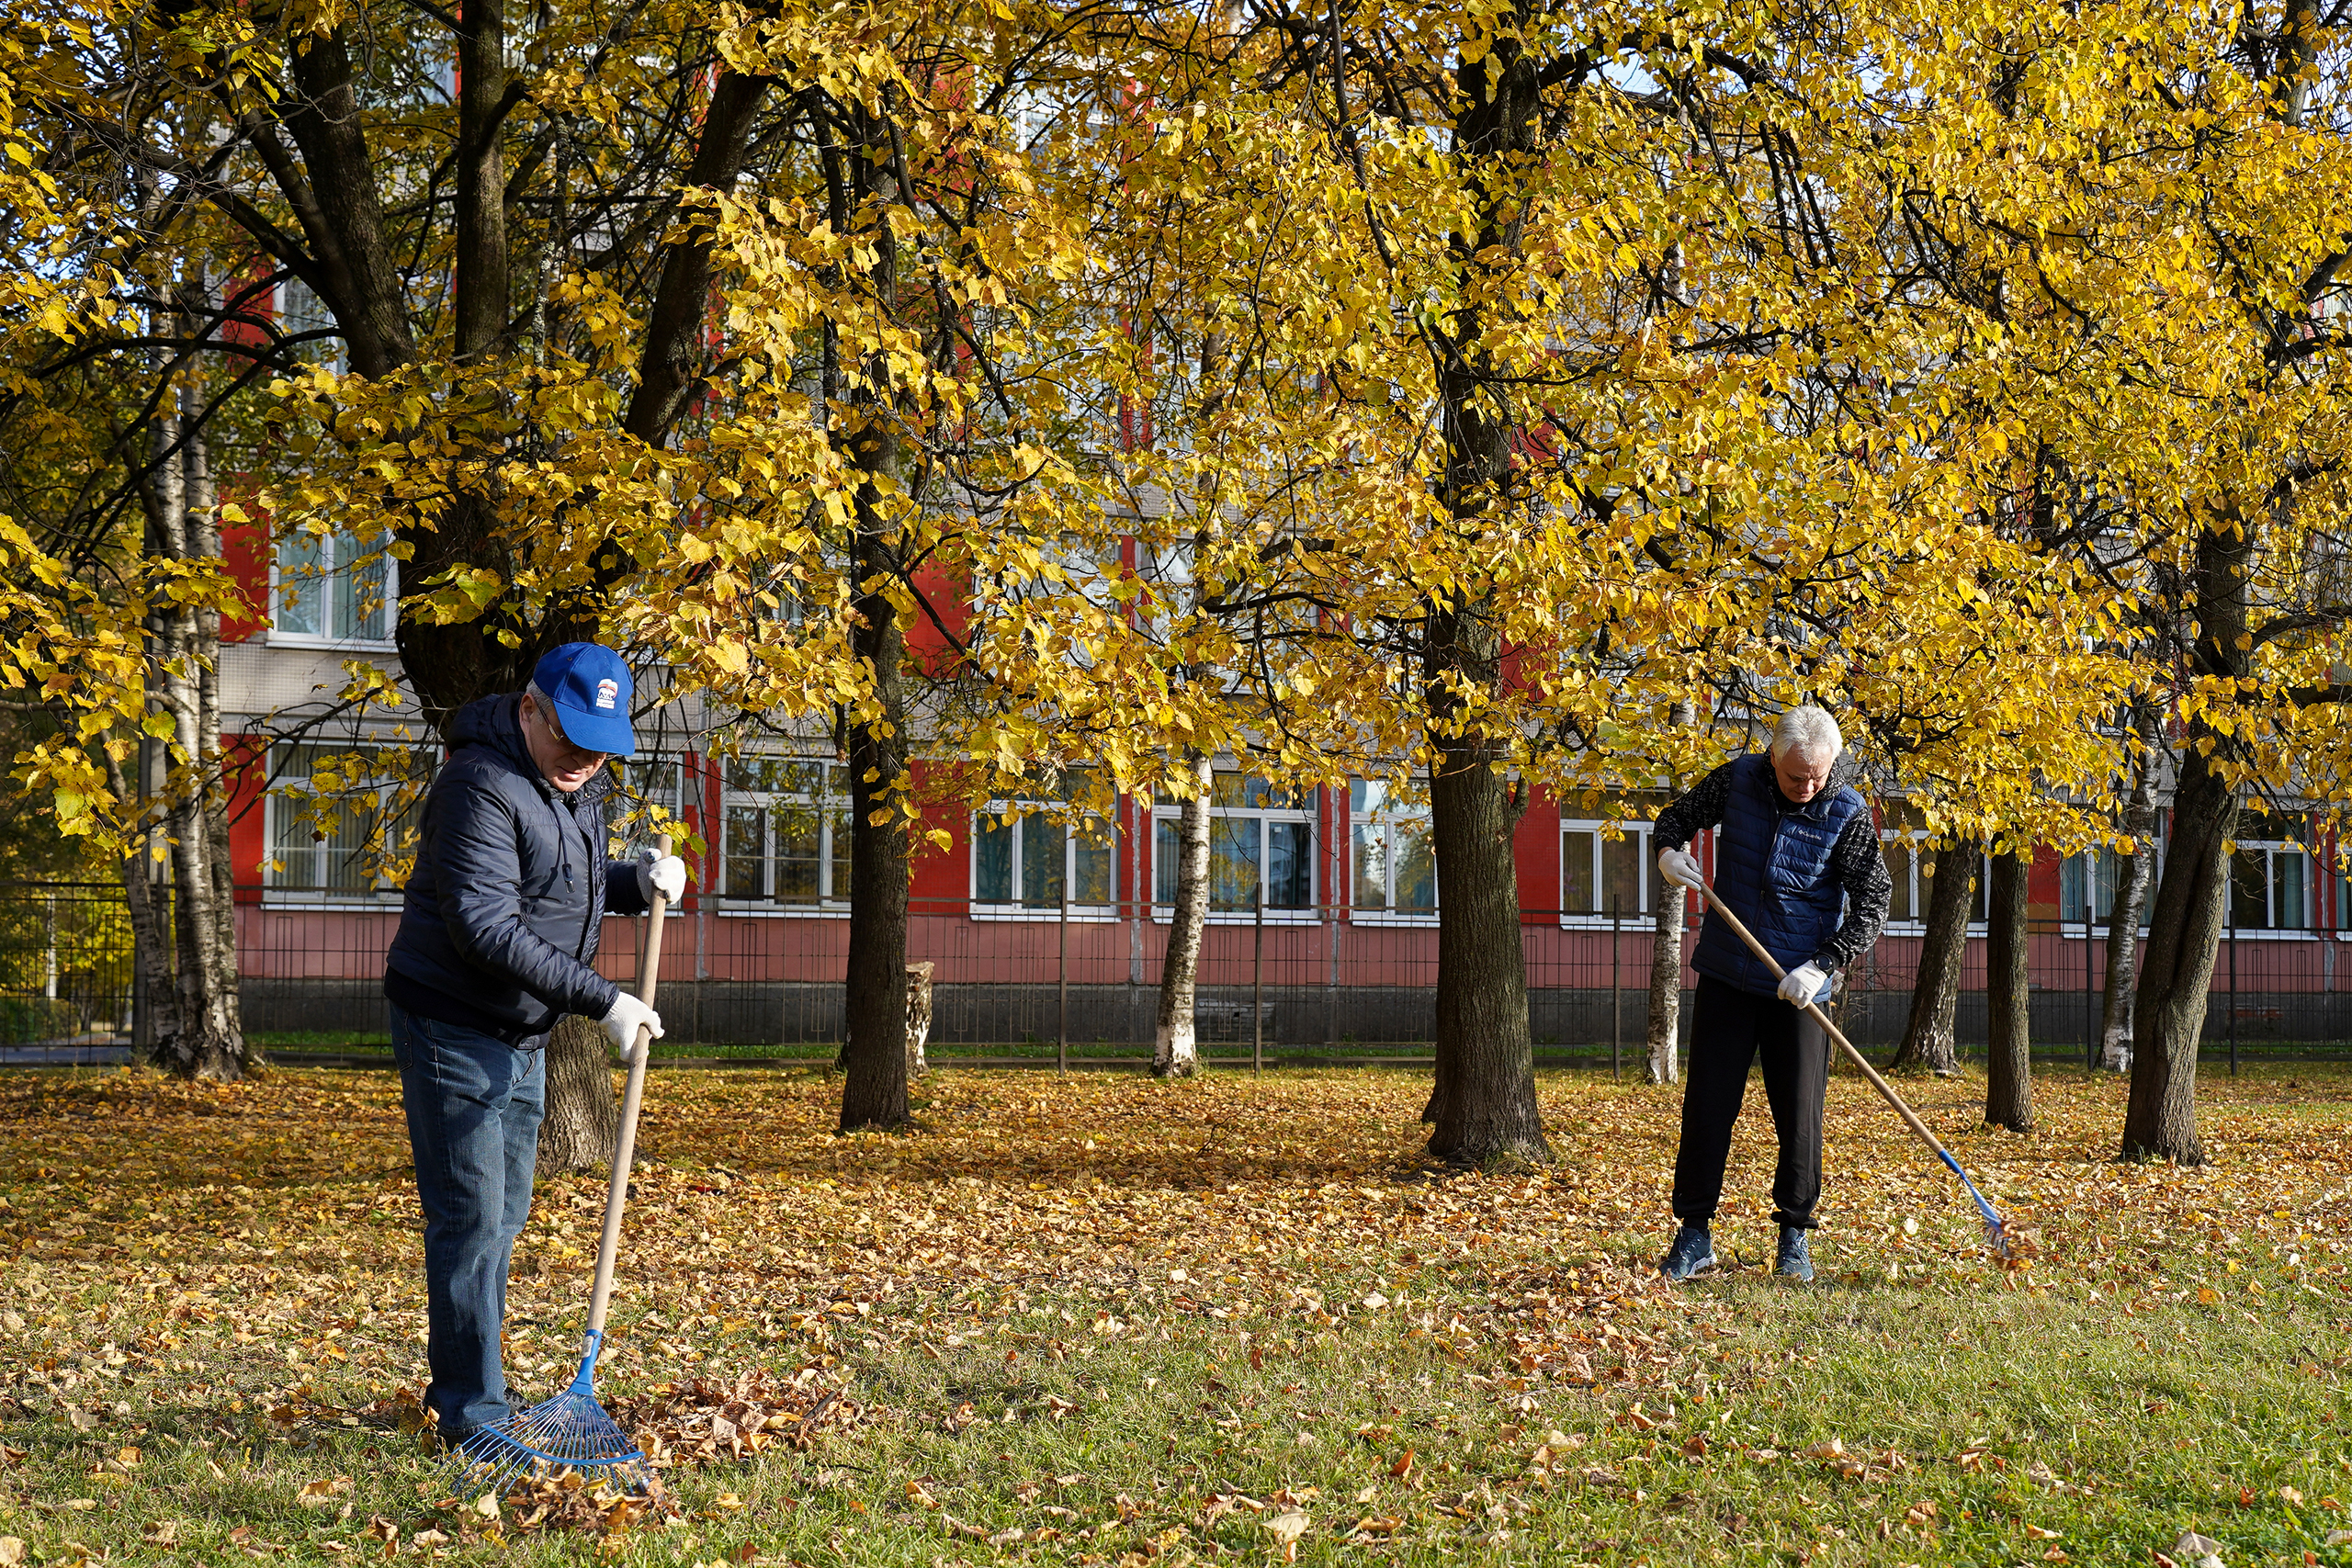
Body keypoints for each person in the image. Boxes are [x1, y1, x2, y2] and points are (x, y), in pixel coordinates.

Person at [382, 642, 689, 1444]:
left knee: (502, 1213)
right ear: (529, 709)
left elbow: (561, 881)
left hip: (519, 1032)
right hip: (452, 1023)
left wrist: (635, 880)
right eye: (572, 739)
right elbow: (487, 925)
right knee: (472, 1218)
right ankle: (472, 1415)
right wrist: (604, 999)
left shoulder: (561, 782)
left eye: (600, 747)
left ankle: (473, 1385)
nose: (586, 761)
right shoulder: (479, 785)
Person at [1650, 705, 1890, 1284]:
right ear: (1772, 760)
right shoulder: (1737, 781)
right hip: (1730, 973)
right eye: (1793, 776)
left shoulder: (1848, 814)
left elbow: (1874, 902)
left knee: (1800, 1117)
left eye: (1817, 776)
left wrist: (1823, 965)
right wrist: (1668, 855)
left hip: (1800, 989)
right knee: (1708, 1106)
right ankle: (1694, 1234)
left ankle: (1794, 1237)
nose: (1806, 787)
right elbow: (1675, 818)